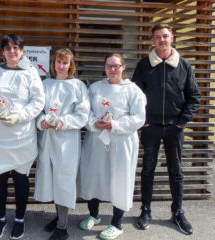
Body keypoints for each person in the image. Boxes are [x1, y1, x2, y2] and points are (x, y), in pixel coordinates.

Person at [132, 23, 200, 235]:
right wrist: (143, 121)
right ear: (152, 40)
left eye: (165, 36)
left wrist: (181, 122)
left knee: (176, 171)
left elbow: (194, 97)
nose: (162, 40)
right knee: (148, 169)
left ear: (172, 38)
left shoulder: (184, 65)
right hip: (151, 127)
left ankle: (177, 211)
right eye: (158, 37)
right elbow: (135, 96)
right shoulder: (144, 65)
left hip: (174, 127)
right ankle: (145, 210)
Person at [0, 34, 45, 240]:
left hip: (21, 135)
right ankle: (0, 219)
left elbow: (38, 102)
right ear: (2, 52)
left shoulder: (30, 73)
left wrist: (19, 116)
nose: (12, 51)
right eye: (8, 48)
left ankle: (19, 219)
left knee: (20, 179)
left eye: (16, 48)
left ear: (22, 50)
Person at [78, 53, 146, 240]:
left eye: (116, 66)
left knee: (120, 179)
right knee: (94, 176)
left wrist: (115, 125)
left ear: (123, 67)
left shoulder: (133, 90)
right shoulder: (96, 88)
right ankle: (93, 215)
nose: (112, 69)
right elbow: (86, 111)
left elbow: (139, 118)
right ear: (105, 68)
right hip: (97, 140)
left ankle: (116, 223)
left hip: (121, 141)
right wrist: (94, 123)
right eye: (109, 66)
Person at [34, 48, 90, 240]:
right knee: (51, 178)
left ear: (71, 65)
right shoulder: (45, 84)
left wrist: (63, 122)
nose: (61, 65)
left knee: (64, 179)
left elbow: (83, 115)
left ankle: (63, 226)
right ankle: (59, 216)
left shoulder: (78, 86)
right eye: (58, 62)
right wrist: (41, 122)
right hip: (48, 139)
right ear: (53, 63)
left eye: (65, 62)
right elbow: (37, 108)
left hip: (67, 140)